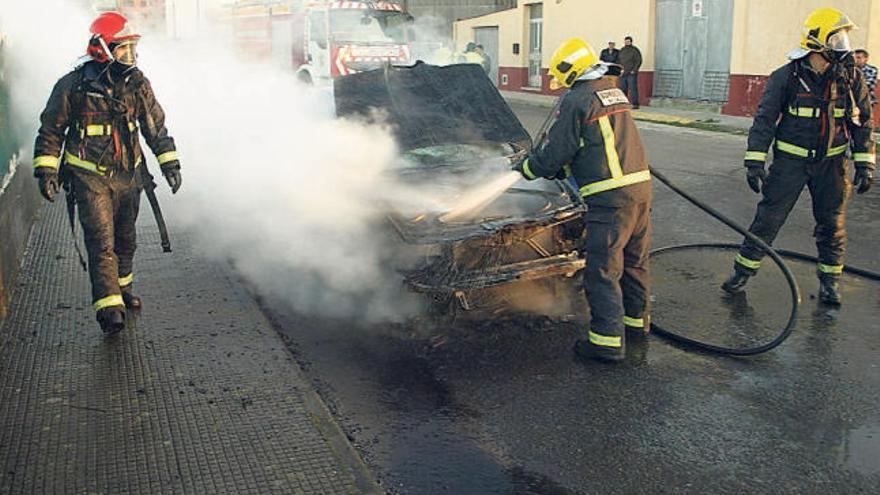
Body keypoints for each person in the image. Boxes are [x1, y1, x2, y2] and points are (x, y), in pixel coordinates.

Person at [32, 12, 182, 335]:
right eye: (124, 49)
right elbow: (51, 130)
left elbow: (155, 127)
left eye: (132, 49)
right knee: (102, 243)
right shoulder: (73, 87)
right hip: (90, 179)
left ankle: (123, 290)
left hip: (130, 177)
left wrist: (169, 163)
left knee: (126, 240)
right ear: (103, 49)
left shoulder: (137, 83)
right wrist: (46, 172)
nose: (131, 56)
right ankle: (109, 308)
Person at [721, 7, 875, 306]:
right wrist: (754, 161)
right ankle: (741, 273)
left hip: (831, 166)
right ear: (818, 41)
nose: (843, 45)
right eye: (837, 38)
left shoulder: (850, 78)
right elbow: (764, 120)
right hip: (789, 165)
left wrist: (865, 163)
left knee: (832, 226)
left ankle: (830, 283)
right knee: (767, 220)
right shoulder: (786, 77)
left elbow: (863, 122)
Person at [512, 38, 652, 363]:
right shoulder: (612, 90)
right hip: (640, 191)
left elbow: (555, 153)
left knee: (603, 270)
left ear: (569, 71)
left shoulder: (577, 99)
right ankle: (636, 325)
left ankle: (605, 342)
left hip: (610, 198)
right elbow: (594, 144)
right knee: (635, 263)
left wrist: (528, 168)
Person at [618, 36, 642, 109]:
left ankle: (635, 104)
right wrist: (620, 69)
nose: (626, 42)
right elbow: (619, 60)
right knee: (623, 89)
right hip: (623, 73)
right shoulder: (622, 50)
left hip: (631, 73)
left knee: (633, 89)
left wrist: (634, 70)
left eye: (628, 41)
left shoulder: (635, 50)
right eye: (625, 41)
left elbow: (638, 60)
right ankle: (624, 104)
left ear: (631, 42)